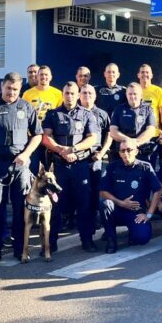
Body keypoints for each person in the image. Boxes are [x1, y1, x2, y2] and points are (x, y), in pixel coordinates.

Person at [0, 72, 44, 264]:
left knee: (20, 208)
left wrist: (26, 154)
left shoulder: (27, 107)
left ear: (20, 89)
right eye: (8, 88)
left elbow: (37, 135)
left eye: (15, 89)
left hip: (19, 165)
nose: (11, 93)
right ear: (1, 86)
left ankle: (20, 248)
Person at [41, 81, 98, 254]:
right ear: (62, 94)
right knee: (55, 206)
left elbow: (92, 138)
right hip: (59, 167)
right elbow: (45, 138)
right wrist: (61, 150)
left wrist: (73, 150)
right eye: (67, 93)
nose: (70, 96)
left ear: (78, 94)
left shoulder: (87, 114)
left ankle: (87, 240)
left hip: (80, 165)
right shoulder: (53, 114)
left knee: (84, 205)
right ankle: (50, 243)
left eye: (73, 93)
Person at [99, 138, 162, 253]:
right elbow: (102, 191)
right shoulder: (112, 167)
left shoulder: (145, 167)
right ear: (119, 153)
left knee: (142, 238)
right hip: (117, 210)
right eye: (122, 151)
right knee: (104, 204)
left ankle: (135, 233)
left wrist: (149, 214)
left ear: (136, 151)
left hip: (136, 212)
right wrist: (121, 203)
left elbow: (158, 190)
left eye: (129, 150)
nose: (126, 153)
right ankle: (111, 240)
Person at [80, 84, 114, 222]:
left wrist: (102, 152)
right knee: (80, 189)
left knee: (95, 188)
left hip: (95, 157)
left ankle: (95, 217)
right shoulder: (74, 112)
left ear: (95, 96)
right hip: (78, 157)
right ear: (79, 95)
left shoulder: (102, 114)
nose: (87, 95)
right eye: (84, 93)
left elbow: (109, 135)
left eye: (90, 93)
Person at [110, 83, 158, 163]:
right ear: (126, 95)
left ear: (141, 95)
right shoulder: (118, 109)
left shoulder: (148, 109)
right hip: (122, 154)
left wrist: (136, 142)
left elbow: (151, 130)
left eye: (135, 94)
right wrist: (129, 142)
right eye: (130, 94)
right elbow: (113, 131)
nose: (132, 96)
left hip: (142, 153)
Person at [137, 64, 162, 147]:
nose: (145, 74)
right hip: (137, 133)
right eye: (142, 72)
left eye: (147, 72)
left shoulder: (158, 91)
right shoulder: (134, 90)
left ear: (151, 75)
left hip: (154, 134)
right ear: (138, 75)